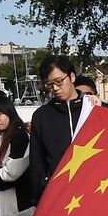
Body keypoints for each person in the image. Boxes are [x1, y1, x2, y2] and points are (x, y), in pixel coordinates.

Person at [27, 55, 87, 207]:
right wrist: (38, 196)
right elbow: (37, 162)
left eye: (59, 82)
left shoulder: (94, 109)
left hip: (94, 190)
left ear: (72, 76)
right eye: (49, 84)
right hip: (56, 196)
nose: (55, 88)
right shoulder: (42, 116)